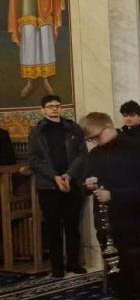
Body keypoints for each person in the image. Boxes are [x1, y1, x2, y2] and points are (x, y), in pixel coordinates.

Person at [81, 112, 140, 300]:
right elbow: (87, 181)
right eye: (90, 139)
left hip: (131, 219)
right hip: (106, 221)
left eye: (96, 137)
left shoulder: (136, 149)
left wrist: (114, 195)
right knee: (115, 269)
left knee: (134, 267)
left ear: (108, 127)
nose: (94, 142)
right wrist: (88, 185)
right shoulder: (95, 154)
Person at [28, 94, 87, 277]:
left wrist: (69, 175)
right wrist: (54, 177)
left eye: (57, 106)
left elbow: (82, 153)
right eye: (50, 106)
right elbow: (35, 159)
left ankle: (73, 263)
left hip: (71, 182)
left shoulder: (72, 128)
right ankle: (57, 267)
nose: (54, 108)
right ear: (43, 110)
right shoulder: (36, 132)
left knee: (72, 225)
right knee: (52, 227)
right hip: (48, 185)